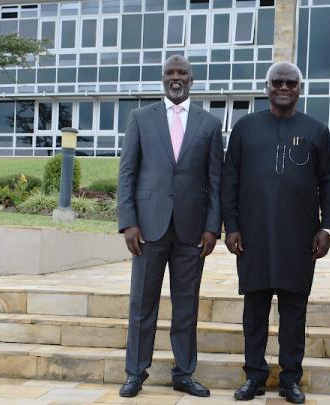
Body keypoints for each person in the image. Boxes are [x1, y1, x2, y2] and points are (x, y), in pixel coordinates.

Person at [221, 61, 330, 404]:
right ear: (267, 86)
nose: (284, 87)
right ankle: (254, 377)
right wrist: (232, 226)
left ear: (300, 89)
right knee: (254, 311)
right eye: (277, 82)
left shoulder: (316, 130)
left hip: (300, 238)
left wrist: (326, 227)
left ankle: (290, 379)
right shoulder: (245, 128)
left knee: (293, 313)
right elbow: (230, 179)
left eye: (291, 83)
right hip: (253, 236)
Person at [117, 54, 223, 398]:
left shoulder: (209, 123)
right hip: (148, 229)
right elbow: (127, 173)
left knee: (186, 305)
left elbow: (215, 181)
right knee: (141, 303)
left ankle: (184, 373)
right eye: (170, 73)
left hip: (192, 231)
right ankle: (135, 373)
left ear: (192, 79)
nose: (175, 78)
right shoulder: (140, 118)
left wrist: (212, 227)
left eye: (182, 73)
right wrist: (128, 222)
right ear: (162, 78)